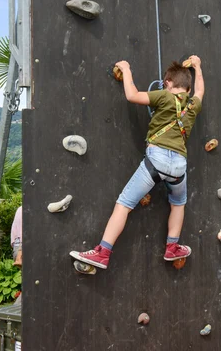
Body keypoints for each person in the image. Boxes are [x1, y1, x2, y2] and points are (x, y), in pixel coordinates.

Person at [70, 56, 204, 269]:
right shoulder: (193, 105)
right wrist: (197, 66)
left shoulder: (163, 96)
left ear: (168, 83)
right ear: (187, 88)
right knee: (178, 204)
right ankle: (172, 247)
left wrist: (126, 68)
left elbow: (132, 95)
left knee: (124, 203)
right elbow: (200, 91)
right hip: (179, 166)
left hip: (157, 160)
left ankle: (103, 252)